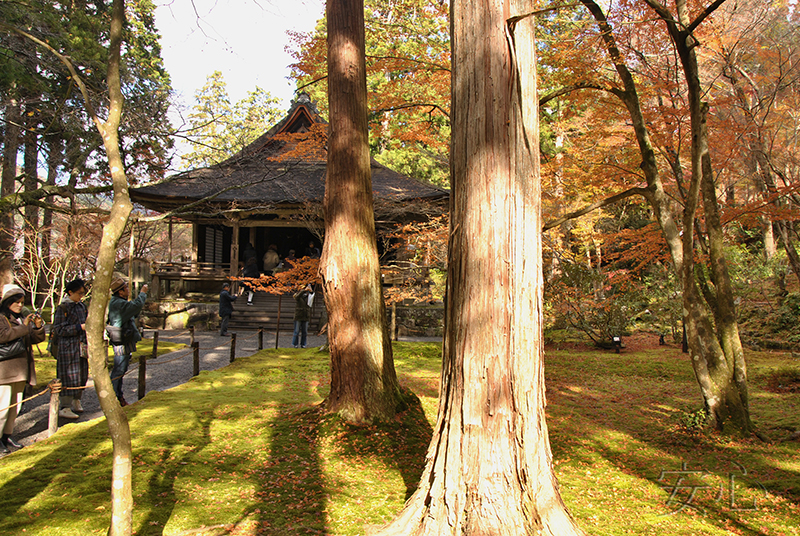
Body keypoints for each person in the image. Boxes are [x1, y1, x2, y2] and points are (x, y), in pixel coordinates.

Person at [0, 284, 44, 453]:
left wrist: (38, 327)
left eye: (21, 302)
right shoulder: (2, 318)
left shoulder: (19, 319)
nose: (20, 305)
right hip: (5, 371)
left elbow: (33, 338)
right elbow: (3, 335)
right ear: (7, 302)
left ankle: (7, 435)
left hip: (21, 371)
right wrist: (25, 327)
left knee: (15, 408)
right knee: (2, 408)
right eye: (16, 302)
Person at [51, 278, 89, 419]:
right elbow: (60, 329)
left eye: (82, 293)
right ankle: (65, 406)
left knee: (82, 374)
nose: (81, 296)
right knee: (68, 376)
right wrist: (79, 327)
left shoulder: (82, 306)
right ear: (70, 292)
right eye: (78, 293)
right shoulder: (63, 308)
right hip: (67, 348)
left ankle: (76, 399)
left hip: (81, 346)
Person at [107, 278, 148, 406]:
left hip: (125, 338)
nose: (128, 290)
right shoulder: (118, 303)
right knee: (119, 369)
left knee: (122, 368)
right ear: (120, 292)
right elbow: (136, 306)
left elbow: (133, 311)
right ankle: (114, 397)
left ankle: (118, 396)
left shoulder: (119, 302)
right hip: (121, 339)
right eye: (125, 288)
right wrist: (143, 293)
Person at [292, 283, 315, 348]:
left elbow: (312, 296)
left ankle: (303, 344)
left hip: (306, 315)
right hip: (298, 316)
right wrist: (304, 291)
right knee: (296, 331)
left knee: (304, 332)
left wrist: (311, 291)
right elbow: (297, 297)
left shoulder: (308, 296)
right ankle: (295, 344)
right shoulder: (298, 296)